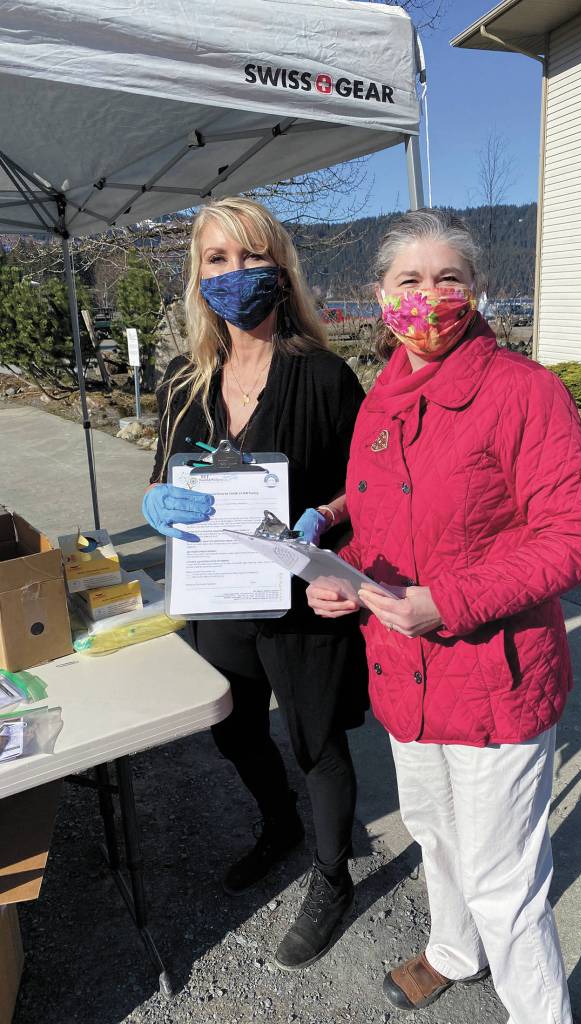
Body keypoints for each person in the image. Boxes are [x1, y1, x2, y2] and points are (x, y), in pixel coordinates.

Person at [307, 209, 581, 1022]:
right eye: (409, 280)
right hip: (404, 673)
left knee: (503, 876)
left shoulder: (525, 392)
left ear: (477, 291)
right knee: (433, 834)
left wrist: (447, 601)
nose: (428, 296)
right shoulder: (380, 400)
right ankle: (452, 950)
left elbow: (577, 538)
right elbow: (381, 526)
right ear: (380, 295)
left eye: (449, 279)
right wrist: (341, 577)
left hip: (493, 678)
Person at [142, 196, 367, 970]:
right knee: (234, 729)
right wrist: (154, 502)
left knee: (316, 742)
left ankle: (333, 879)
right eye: (218, 258)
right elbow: (161, 475)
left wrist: (326, 514)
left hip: (300, 596)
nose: (235, 273)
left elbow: (370, 485)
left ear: (280, 267)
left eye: (251, 256)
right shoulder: (183, 381)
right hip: (218, 593)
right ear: (198, 275)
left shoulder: (325, 376)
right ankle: (281, 824)